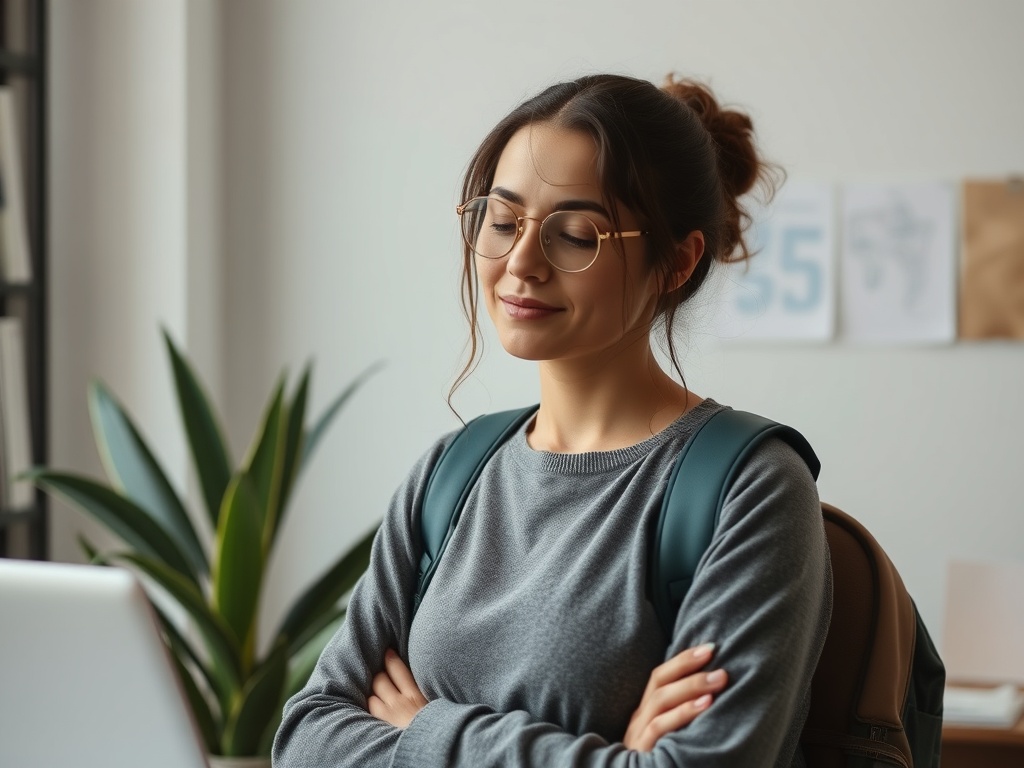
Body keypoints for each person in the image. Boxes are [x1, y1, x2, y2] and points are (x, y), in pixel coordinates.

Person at [273, 73, 832, 767]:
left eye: (574, 235)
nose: (521, 263)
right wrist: (611, 756)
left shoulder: (750, 487)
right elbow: (306, 740)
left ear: (676, 262)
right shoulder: (451, 473)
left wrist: (425, 730)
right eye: (502, 221)